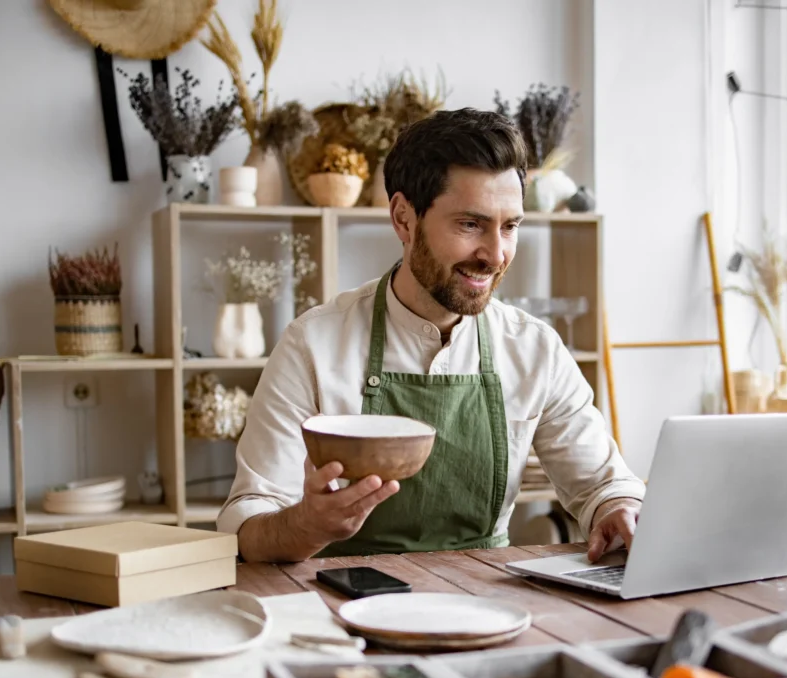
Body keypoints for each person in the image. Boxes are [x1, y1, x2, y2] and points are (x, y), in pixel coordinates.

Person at [217, 107, 644, 563]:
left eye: (510, 226)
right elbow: (247, 526)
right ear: (404, 218)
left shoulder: (533, 348)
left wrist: (618, 507)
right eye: (470, 224)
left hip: (489, 602)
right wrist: (304, 526)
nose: (495, 255)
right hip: (346, 605)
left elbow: (603, 484)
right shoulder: (313, 345)